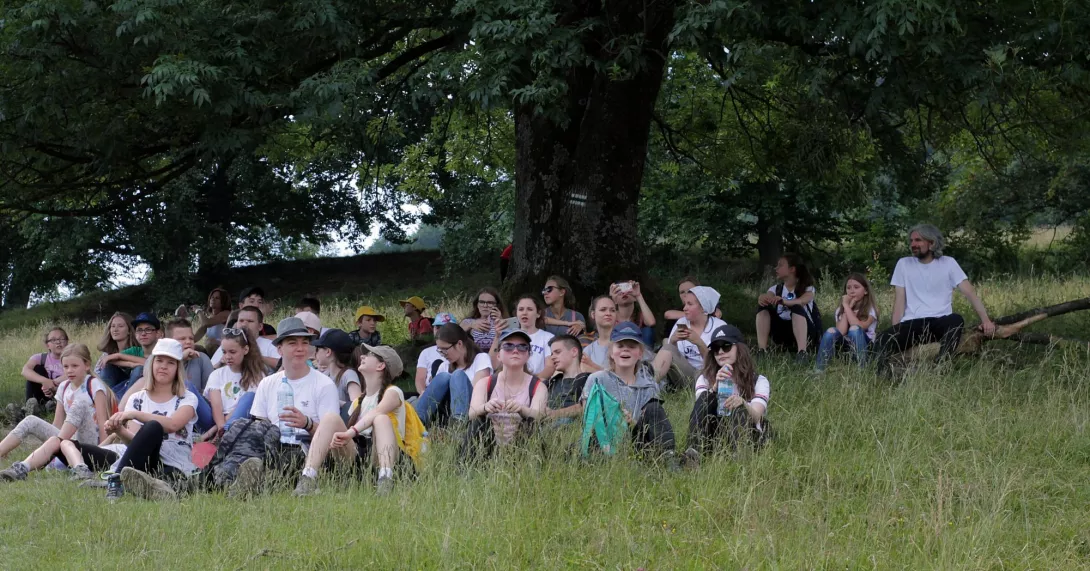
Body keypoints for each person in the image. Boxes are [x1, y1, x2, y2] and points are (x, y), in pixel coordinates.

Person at [228, 317, 340, 497]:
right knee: (244, 437)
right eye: (292, 343)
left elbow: (334, 437)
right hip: (271, 445)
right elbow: (259, 427)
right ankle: (238, 477)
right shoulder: (267, 383)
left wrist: (307, 424)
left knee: (287, 456)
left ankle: (255, 480)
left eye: (305, 343)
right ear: (279, 349)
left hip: (307, 450)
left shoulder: (324, 385)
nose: (300, 348)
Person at [874, 224, 996, 376]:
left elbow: (969, 292)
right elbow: (899, 301)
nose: (913, 244)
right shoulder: (904, 264)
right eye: (911, 241)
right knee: (882, 339)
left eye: (918, 240)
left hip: (939, 322)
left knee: (956, 319)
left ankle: (942, 365)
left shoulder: (948, 263)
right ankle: (883, 373)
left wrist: (986, 320)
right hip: (913, 323)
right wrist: (896, 331)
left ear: (932, 243)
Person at [293, 344, 406, 496]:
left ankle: (386, 479)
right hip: (358, 458)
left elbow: (376, 412)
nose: (362, 356)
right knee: (330, 418)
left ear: (381, 365)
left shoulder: (393, 392)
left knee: (381, 419)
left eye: (370, 355)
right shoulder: (359, 401)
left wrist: (350, 433)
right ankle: (308, 477)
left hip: (383, 455)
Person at [100, 338, 199, 502]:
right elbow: (136, 443)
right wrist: (119, 430)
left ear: (177, 369)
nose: (163, 366)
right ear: (151, 364)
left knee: (154, 426)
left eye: (170, 363)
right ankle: (118, 481)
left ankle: (120, 479)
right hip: (148, 459)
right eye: (159, 360)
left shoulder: (188, 398)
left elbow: (173, 424)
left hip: (174, 462)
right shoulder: (137, 398)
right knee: (151, 429)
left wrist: (134, 414)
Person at [0, 344, 111, 481]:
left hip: (89, 443)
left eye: (74, 366)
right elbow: (57, 424)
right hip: (65, 440)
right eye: (66, 367)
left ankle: (60, 459)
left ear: (87, 365)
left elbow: (103, 422)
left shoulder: (94, 385)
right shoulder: (63, 387)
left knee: (79, 403)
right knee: (30, 420)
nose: (70, 370)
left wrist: (103, 451)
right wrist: (50, 449)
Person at [580, 322, 678, 465]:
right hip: (605, 439)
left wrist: (633, 423)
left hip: (636, 441)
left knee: (654, 408)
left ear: (640, 353)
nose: (625, 350)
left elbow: (652, 423)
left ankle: (669, 459)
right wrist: (614, 417)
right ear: (611, 352)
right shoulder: (597, 379)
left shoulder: (648, 384)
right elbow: (587, 416)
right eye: (620, 346)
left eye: (632, 347)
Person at [683, 325, 771, 467]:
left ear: (739, 348)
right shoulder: (705, 379)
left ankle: (741, 458)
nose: (721, 352)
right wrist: (715, 388)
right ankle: (693, 455)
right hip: (715, 434)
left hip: (748, 435)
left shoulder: (758, 380)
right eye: (716, 349)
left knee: (739, 406)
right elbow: (700, 410)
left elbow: (757, 417)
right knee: (706, 397)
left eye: (727, 346)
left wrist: (742, 402)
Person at [460, 329, 549, 463]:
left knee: (531, 424)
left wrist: (522, 409)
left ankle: (531, 472)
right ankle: (467, 471)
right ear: (499, 356)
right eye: (508, 346)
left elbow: (540, 416)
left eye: (522, 347)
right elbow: (471, 414)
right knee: (477, 422)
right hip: (488, 444)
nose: (515, 350)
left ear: (528, 355)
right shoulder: (485, 383)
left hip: (521, 446)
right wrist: (485, 407)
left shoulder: (538, 385)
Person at [414, 324, 494, 425]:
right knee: (443, 377)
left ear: (459, 344)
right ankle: (416, 422)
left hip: (471, 408)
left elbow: (478, 391)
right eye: (440, 350)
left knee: (457, 375)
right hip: (445, 409)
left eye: (445, 349)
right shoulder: (444, 366)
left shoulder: (481, 358)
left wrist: (457, 383)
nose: (443, 354)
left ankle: (458, 422)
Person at [756, 253, 823, 363]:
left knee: (796, 308)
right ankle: (762, 350)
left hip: (806, 333)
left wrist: (784, 301)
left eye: (780, 265)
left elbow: (802, 301)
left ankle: (802, 353)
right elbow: (768, 296)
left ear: (792, 269)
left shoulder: (808, 288)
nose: (776, 268)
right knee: (763, 308)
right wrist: (762, 298)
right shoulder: (775, 289)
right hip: (783, 333)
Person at [201, 327, 265, 440]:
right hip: (216, 419)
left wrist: (216, 430)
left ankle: (222, 437)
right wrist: (220, 426)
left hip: (237, 421)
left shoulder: (257, 376)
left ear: (245, 350)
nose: (227, 357)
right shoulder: (217, 374)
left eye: (232, 352)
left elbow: (243, 408)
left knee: (250, 397)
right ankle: (222, 434)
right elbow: (216, 406)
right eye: (224, 352)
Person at [815, 273, 879, 372]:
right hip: (847, 350)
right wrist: (846, 307)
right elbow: (841, 332)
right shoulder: (840, 310)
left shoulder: (870, 309)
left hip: (865, 347)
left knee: (854, 329)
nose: (852, 291)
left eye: (856, 287)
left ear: (865, 291)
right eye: (848, 288)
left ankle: (862, 369)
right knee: (831, 331)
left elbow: (859, 326)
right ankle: (819, 369)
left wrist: (846, 305)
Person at [665, 286, 727, 385]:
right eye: (685, 304)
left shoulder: (719, 327)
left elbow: (719, 363)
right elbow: (674, 359)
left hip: (709, 375)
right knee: (667, 345)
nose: (684, 308)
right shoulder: (682, 322)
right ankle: (650, 385)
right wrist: (673, 341)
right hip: (686, 374)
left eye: (690, 304)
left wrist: (699, 342)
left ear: (703, 308)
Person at [490, 295, 555, 377]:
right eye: (521, 309)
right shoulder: (507, 336)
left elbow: (550, 367)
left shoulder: (548, 337)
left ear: (538, 313)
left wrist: (532, 383)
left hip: (536, 383)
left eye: (529, 309)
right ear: (516, 313)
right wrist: (497, 337)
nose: (524, 313)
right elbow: (494, 365)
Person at [107, 312, 163, 398]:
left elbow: (149, 363)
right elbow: (110, 360)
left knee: (139, 369)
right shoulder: (135, 351)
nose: (143, 334)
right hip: (128, 386)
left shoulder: (162, 351)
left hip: (151, 391)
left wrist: (120, 356)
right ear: (136, 334)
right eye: (139, 330)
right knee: (108, 368)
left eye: (148, 330)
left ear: (158, 333)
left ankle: (122, 403)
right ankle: (104, 399)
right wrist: (131, 364)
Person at [312, 329, 363, 421]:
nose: (315, 354)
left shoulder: (348, 374)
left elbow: (357, 404)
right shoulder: (326, 374)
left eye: (317, 349)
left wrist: (334, 402)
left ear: (328, 352)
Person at [211, 305, 280, 369]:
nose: (244, 324)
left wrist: (257, 357)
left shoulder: (270, 345)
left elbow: (282, 364)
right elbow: (211, 369)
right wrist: (221, 362)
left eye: (250, 321)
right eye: (241, 321)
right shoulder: (227, 344)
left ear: (260, 326)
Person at [19, 327, 68, 413]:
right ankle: (31, 407)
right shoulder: (40, 357)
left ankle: (51, 407)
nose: (58, 342)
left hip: (63, 394)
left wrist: (53, 383)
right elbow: (25, 371)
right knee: (37, 369)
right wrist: (45, 381)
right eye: (53, 340)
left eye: (61, 338)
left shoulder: (73, 358)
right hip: (43, 393)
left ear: (67, 342)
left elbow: (82, 373)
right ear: (47, 345)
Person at [544, 335, 589, 425]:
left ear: (574, 352)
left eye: (557, 352)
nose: (552, 357)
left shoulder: (589, 379)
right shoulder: (550, 382)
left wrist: (555, 413)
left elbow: (588, 407)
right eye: (552, 353)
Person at [414, 313, 458, 394]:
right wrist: (423, 393)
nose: (440, 331)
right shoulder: (426, 352)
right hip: (429, 391)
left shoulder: (459, 349)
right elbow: (420, 378)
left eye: (445, 328)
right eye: (437, 327)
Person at [94, 312, 135, 391]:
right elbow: (97, 375)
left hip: (130, 390)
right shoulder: (107, 354)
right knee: (107, 366)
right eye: (113, 326)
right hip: (109, 388)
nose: (115, 330)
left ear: (129, 330)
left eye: (120, 326)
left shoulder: (136, 351)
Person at [610, 280, 656, 346]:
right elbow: (605, 332)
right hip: (617, 348)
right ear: (615, 300)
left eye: (627, 289)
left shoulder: (639, 315)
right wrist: (611, 300)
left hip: (636, 347)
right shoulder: (611, 315)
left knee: (647, 331)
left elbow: (651, 323)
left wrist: (638, 295)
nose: (624, 293)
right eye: (619, 291)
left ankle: (647, 355)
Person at [461, 287, 508, 352]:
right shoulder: (469, 321)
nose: (485, 306)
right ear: (477, 304)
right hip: (475, 358)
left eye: (490, 302)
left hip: (497, 357)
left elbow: (511, 340)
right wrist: (471, 325)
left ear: (496, 305)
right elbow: (456, 332)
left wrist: (501, 320)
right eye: (482, 302)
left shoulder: (503, 320)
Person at [580, 295, 618, 372]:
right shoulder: (589, 350)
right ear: (593, 314)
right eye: (603, 310)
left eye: (612, 310)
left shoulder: (625, 343)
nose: (608, 313)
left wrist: (592, 366)